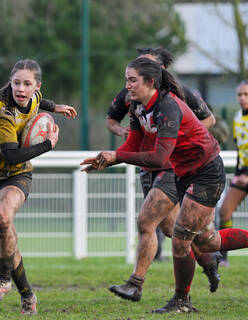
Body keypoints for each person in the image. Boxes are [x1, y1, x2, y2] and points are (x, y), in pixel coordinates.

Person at [81, 57, 248, 313]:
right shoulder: (138, 107)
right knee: (207, 241)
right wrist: (107, 160)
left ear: (149, 82)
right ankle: (183, 292)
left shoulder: (167, 106)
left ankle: (181, 301)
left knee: (181, 239)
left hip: (206, 172)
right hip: (185, 174)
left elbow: (159, 157)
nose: (127, 86)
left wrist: (117, 156)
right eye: (126, 80)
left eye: (132, 80)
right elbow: (132, 147)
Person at [104, 47, 220, 303]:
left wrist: (181, 136)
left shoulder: (175, 97)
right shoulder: (133, 97)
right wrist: (119, 140)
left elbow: (208, 120)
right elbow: (112, 121)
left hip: (172, 166)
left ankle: (136, 284)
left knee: (146, 221)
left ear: (156, 75)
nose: (130, 83)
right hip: (149, 166)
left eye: (138, 75)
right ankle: (208, 262)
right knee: (176, 231)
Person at [0, 59, 77, 315]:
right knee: (7, 240)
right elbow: (10, 155)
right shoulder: (1, 111)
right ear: (10, 83)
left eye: (27, 84)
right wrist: (48, 145)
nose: (21, 88)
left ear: (36, 86)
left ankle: (1, 280)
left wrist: (56, 107)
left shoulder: (33, 96)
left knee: (2, 217)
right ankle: (28, 294)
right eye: (16, 83)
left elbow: (38, 101)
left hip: (17, 176)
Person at [218, 80, 248, 267]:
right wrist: (239, 172)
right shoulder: (237, 117)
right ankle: (223, 258)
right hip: (243, 174)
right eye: (239, 95)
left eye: (246, 94)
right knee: (224, 210)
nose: (242, 98)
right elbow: (240, 148)